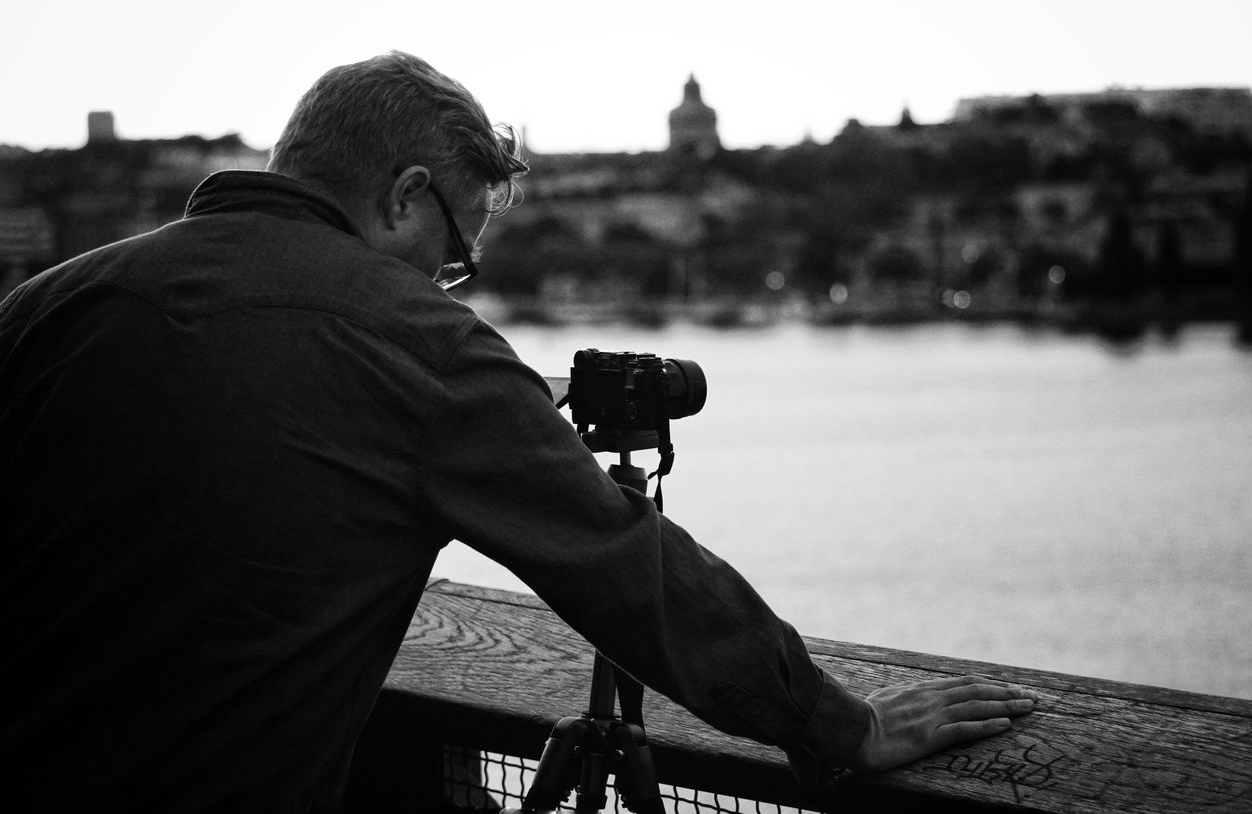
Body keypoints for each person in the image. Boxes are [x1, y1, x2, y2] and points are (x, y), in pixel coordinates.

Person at [0, 51, 1035, 812]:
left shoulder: (51, 305)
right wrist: (838, 724)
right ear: (406, 196)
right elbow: (628, 569)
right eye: (456, 252)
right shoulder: (419, 342)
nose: (451, 285)